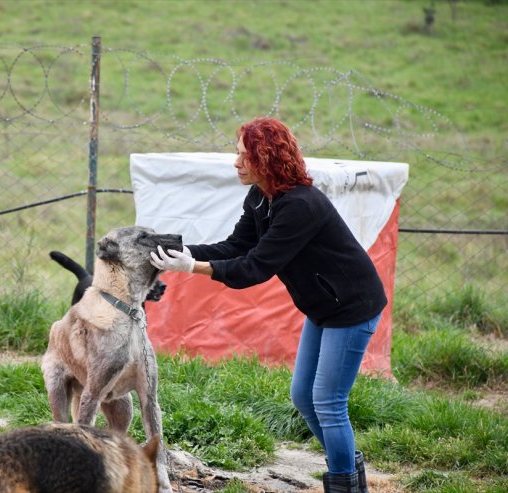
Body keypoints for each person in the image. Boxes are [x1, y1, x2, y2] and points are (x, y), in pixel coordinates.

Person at [149, 116, 386, 493]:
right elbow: (235, 247)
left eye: (244, 155)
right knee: (303, 397)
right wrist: (186, 251)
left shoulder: (301, 206)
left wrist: (191, 267)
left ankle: (345, 486)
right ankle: (349, 467)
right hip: (323, 306)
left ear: (266, 158)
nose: (236, 162)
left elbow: (255, 267)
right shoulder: (261, 197)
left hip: (352, 306)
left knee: (327, 401)